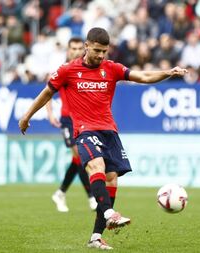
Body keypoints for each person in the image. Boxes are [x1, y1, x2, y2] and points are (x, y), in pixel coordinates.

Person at [19, 27, 187, 250]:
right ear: (87, 46)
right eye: (97, 50)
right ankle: (109, 213)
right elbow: (47, 93)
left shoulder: (112, 68)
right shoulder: (68, 70)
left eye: (104, 51)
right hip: (85, 130)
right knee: (95, 165)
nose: (100, 55)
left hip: (109, 131)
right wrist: (27, 115)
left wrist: (168, 73)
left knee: (111, 179)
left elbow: (143, 76)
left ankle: (96, 237)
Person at [46, 37, 97, 212]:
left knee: (78, 159)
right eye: (72, 48)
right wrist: (50, 113)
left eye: (78, 48)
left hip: (83, 119)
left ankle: (60, 193)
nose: (75, 51)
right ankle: (91, 197)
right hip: (67, 120)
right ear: (68, 50)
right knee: (80, 157)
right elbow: (48, 93)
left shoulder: (86, 69)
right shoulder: (63, 70)